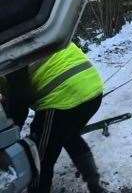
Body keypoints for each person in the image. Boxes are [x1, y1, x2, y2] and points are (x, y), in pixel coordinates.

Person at [2, 42, 107, 193]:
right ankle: (95, 185)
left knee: (40, 157)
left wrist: (9, 133)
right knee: (68, 136)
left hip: (63, 96)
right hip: (92, 87)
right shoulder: (25, 26)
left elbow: (20, 99)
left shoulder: (8, 48)